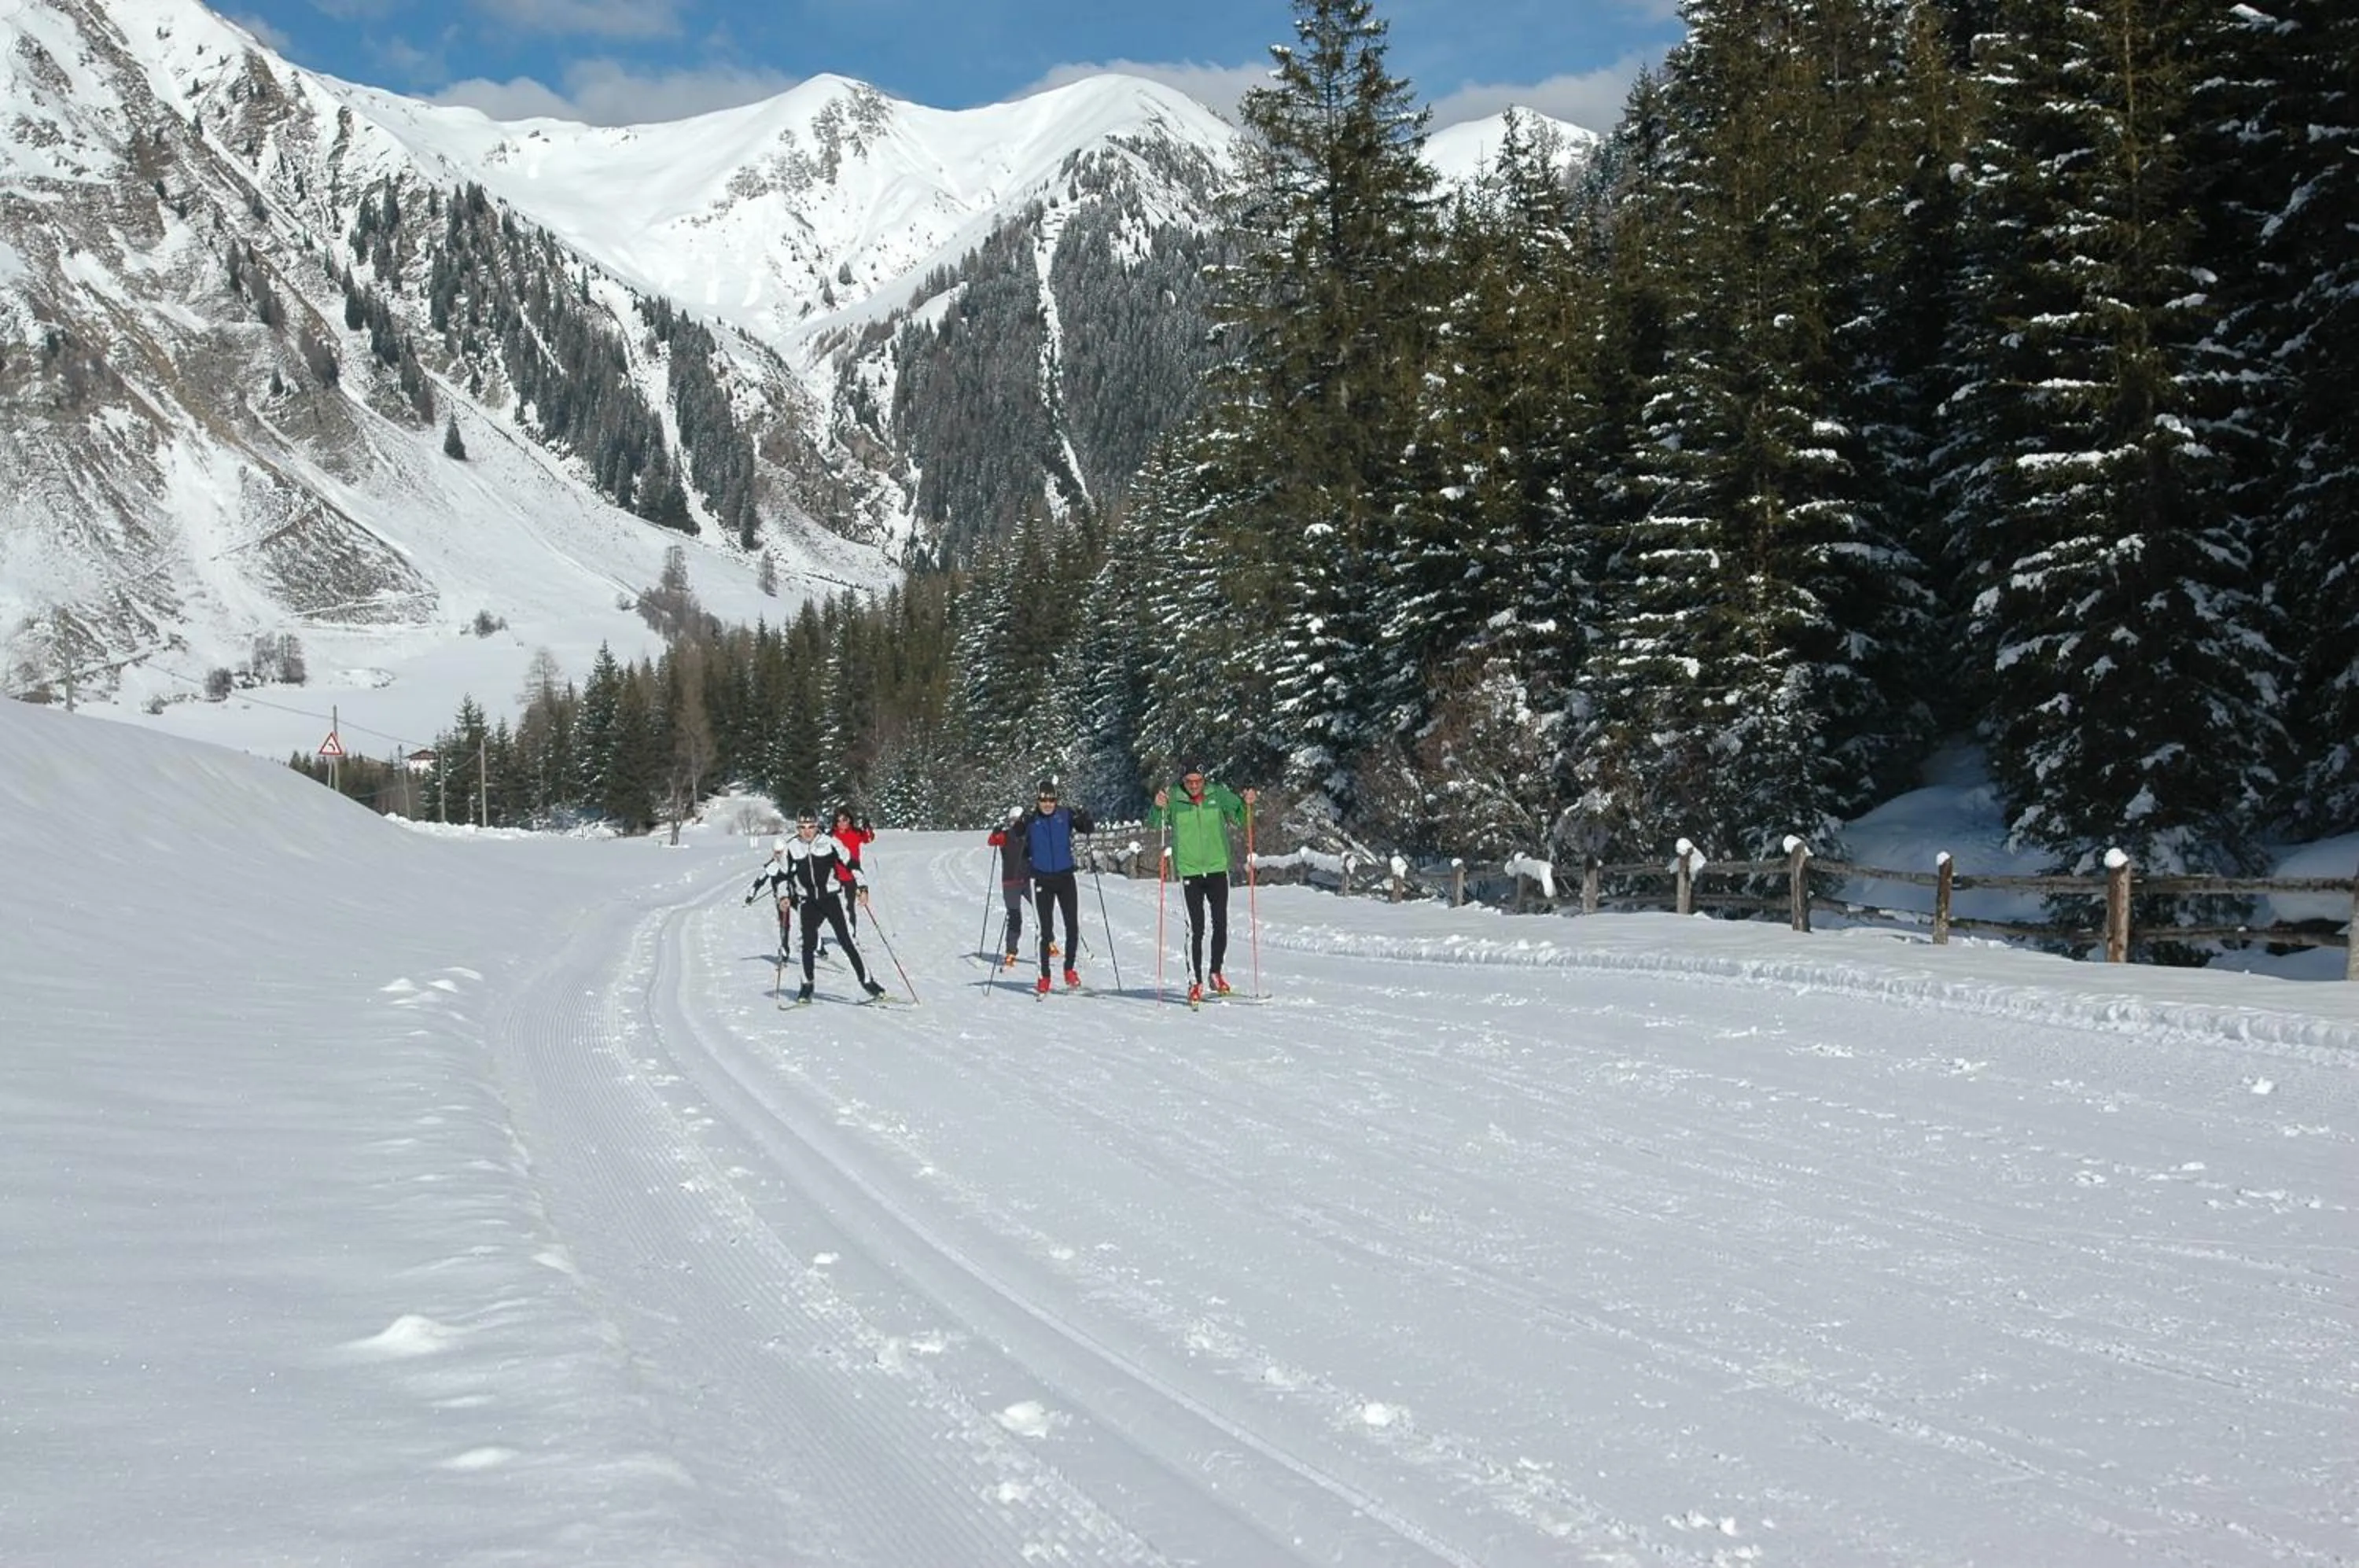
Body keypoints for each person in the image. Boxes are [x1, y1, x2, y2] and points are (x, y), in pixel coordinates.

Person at [1147, 762, 1256, 1004]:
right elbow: (1155, 823)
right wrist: (1157, 807)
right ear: (1182, 781)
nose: (1194, 786)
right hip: (1190, 872)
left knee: (1221, 924)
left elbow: (1241, 817)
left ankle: (1215, 973)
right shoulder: (1173, 798)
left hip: (1217, 869)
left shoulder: (1217, 794)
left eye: (1198, 781)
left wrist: (1249, 802)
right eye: (1189, 782)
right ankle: (1194, 981)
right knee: (1196, 929)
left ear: (1204, 780)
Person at [754, 812, 887, 1003]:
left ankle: (868, 983)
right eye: (802, 827)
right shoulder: (792, 847)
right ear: (797, 828)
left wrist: (862, 887)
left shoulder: (829, 842)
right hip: (808, 902)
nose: (807, 832)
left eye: (811, 827)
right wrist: (783, 897)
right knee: (807, 944)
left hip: (831, 899)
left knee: (846, 941)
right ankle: (807, 986)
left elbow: (852, 863)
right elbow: (782, 876)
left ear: (817, 826)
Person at [1022, 778, 1095, 995]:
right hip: (1041, 878)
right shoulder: (1030, 819)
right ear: (1037, 800)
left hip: (1065, 877)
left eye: (1052, 800)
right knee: (1044, 931)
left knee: (1073, 926)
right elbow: (1014, 835)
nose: (1048, 804)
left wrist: (1085, 817)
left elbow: (1088, 828)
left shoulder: (1065, 815)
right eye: (1043, 800)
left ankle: (1069, 969)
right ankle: (1044, 976)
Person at [984, 806, 1034, 967]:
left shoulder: (1029, 834)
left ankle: (1049, 943)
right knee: (1014, 917)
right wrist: (995, 832)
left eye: (1016, 820)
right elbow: (993, 841)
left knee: (1042, 911)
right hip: (1011, 882)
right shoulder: (1005, 836)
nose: (1013, 823)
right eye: (1011, 820)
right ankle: (1011, 952)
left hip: (1028, 880)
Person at [743, 835, 793, 961]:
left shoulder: (794, 862)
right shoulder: (772, 866)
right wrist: (751, 895)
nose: (778, 855)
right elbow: (759, 881)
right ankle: (785, 948)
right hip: (781, 899)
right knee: (784, 923)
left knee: (807, 920)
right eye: (776, 852)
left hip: (796, 895)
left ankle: (818, 944)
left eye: (780, 852)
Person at [831, 807, 874, 937]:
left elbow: (868, 839)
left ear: (849, 820)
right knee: (832, 909)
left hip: (851, 876)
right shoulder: (832, 836)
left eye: (845, 820)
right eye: (838, 821)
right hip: (835, 876)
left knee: (849, 907)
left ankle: (852, 936)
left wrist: (867, 826)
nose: (842, 823)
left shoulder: (855, 833)